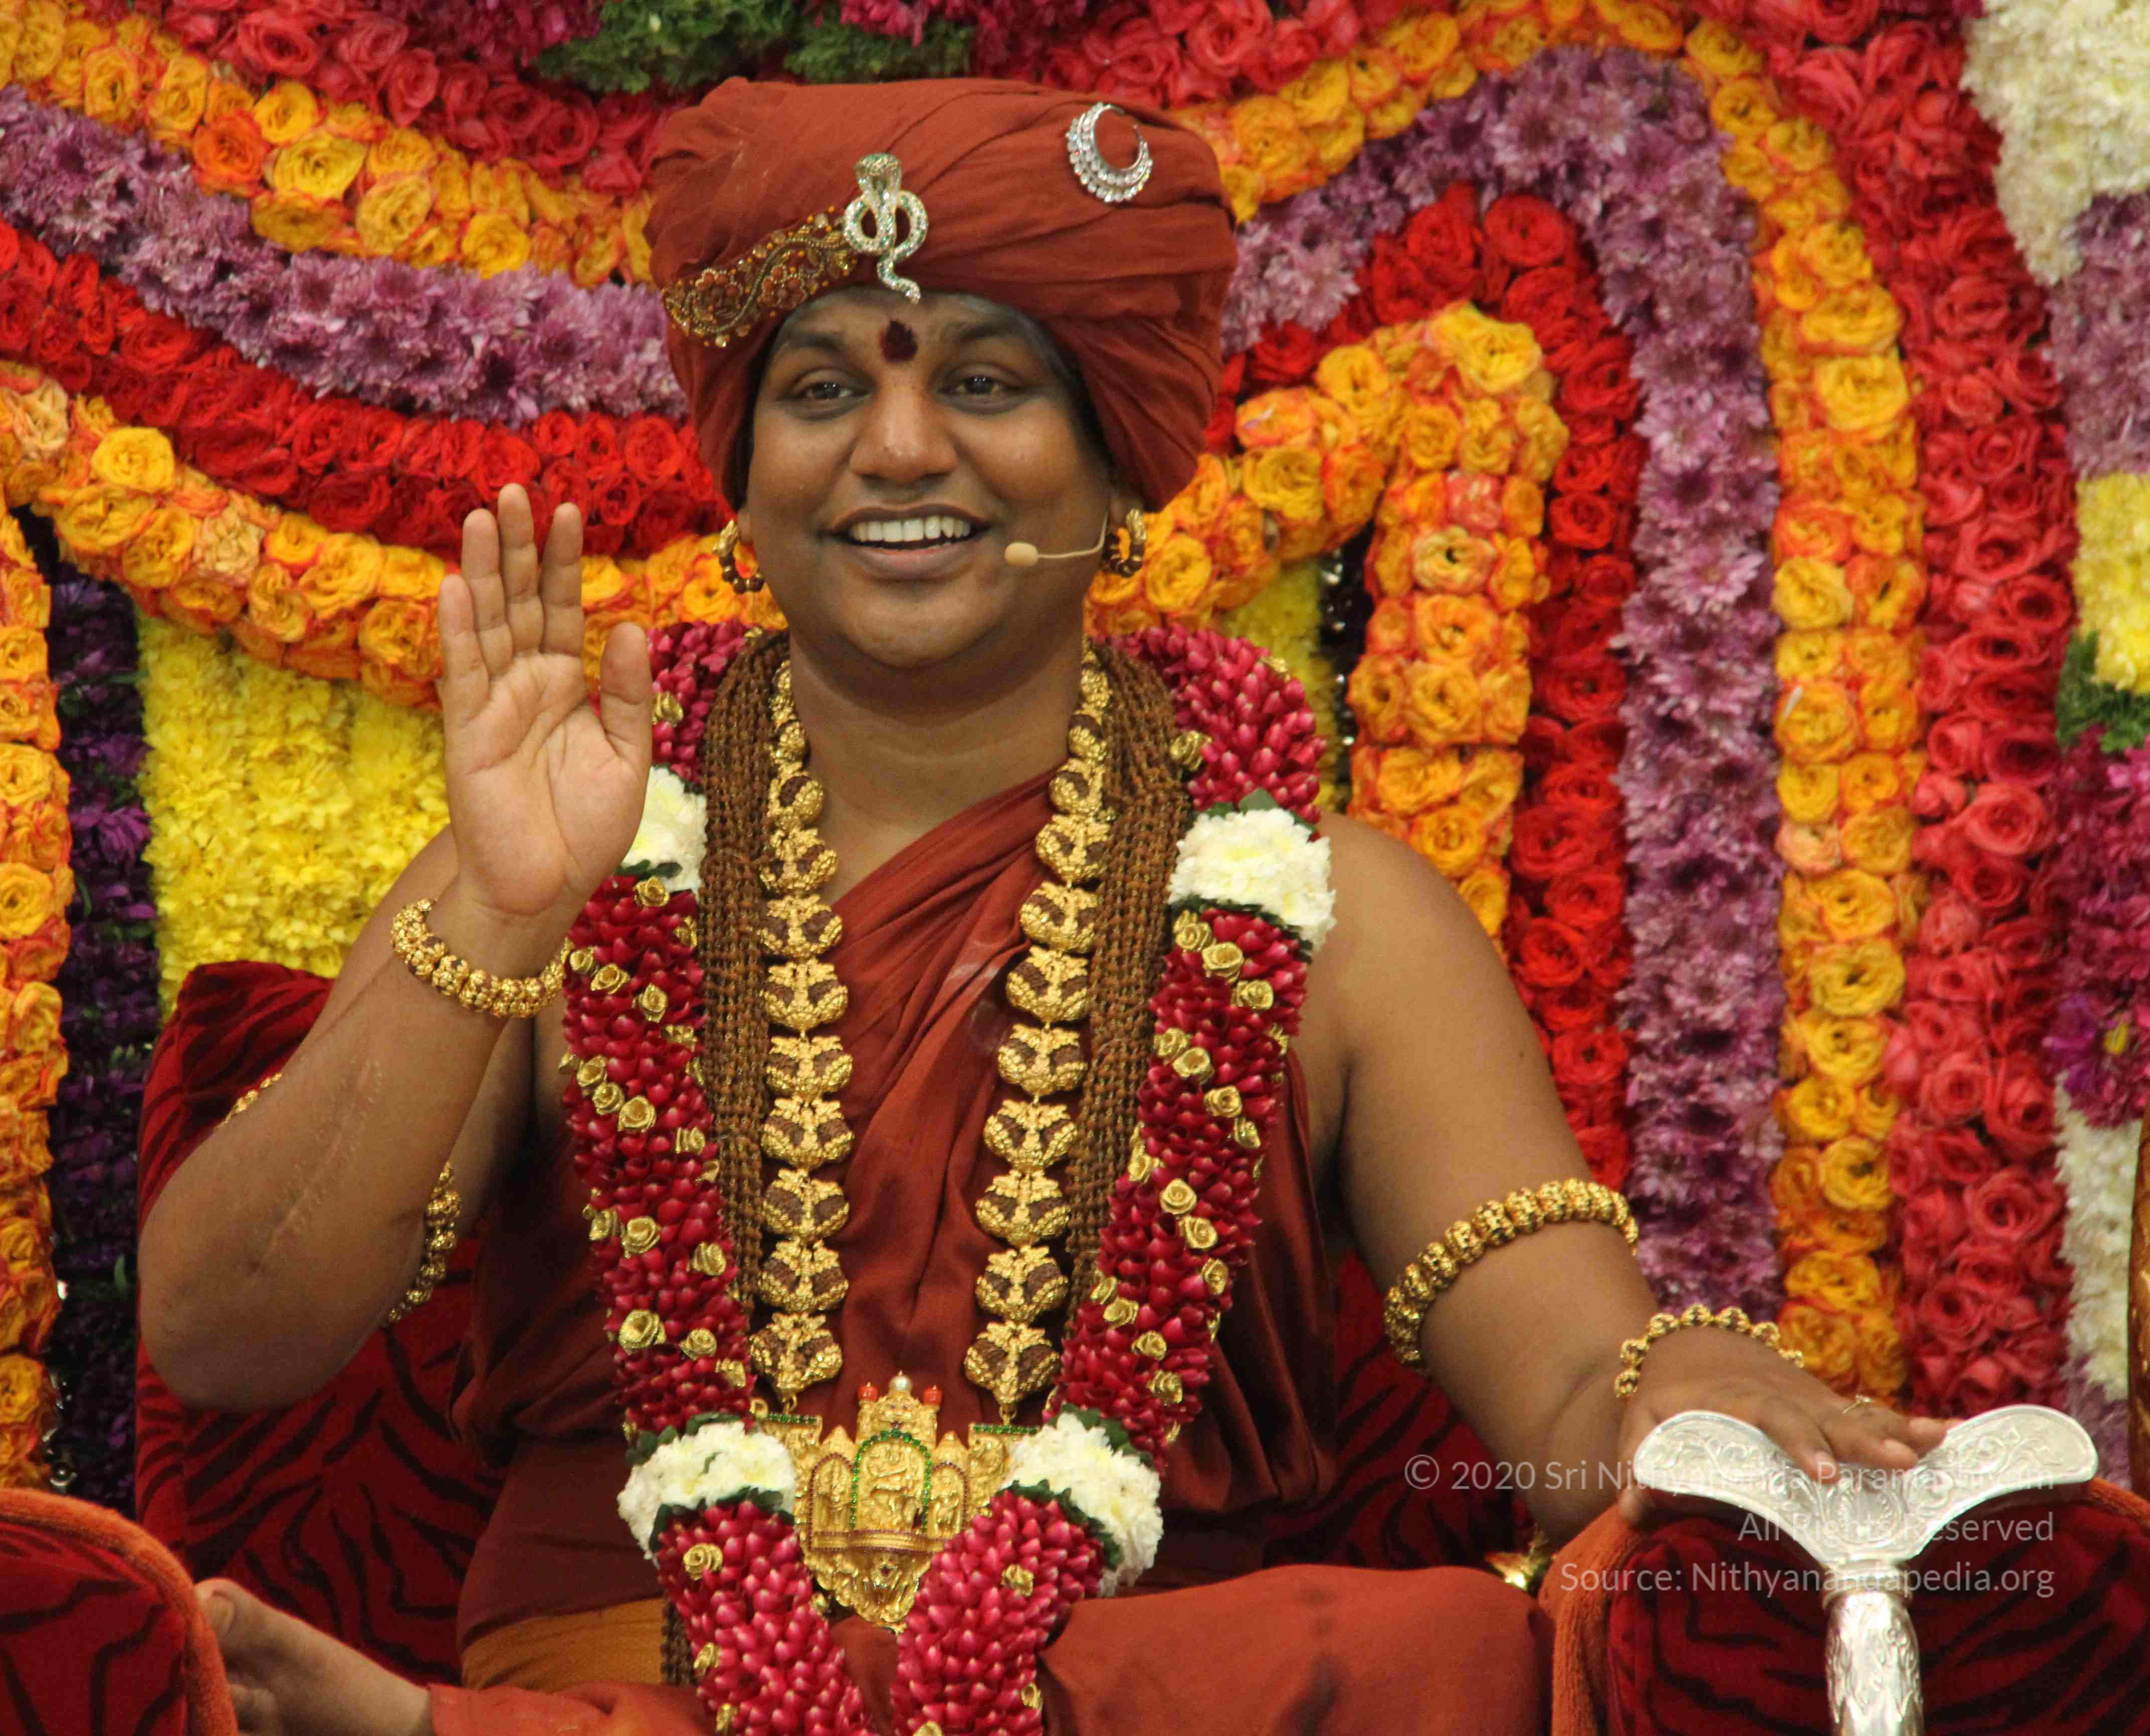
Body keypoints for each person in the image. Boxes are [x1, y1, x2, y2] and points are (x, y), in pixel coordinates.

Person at [134, 77, 1949, 1736]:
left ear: (1115, 463)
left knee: (1463, 1649)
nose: (898, 447)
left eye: (987, 385)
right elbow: (222, 1340)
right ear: (744, 480)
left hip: (1153, 1700)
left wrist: (1677, 1383)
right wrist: (499, 917)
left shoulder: (1339, 917)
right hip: (640, 1671)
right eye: (822, 389)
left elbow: (1566, 1401)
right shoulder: (567, 849)